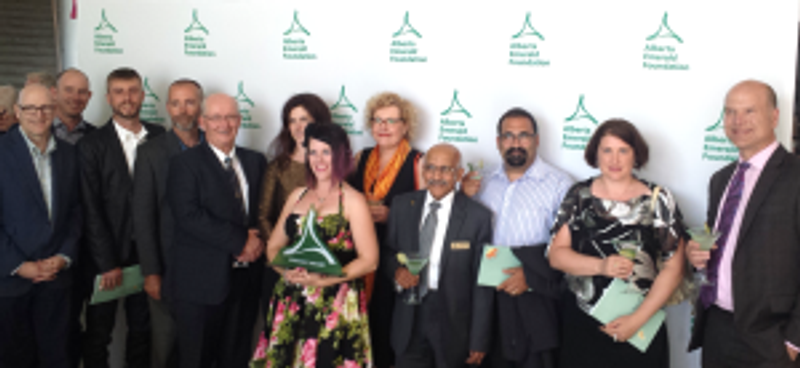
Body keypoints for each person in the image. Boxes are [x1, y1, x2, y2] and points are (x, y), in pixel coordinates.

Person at [547, 119, 687, 368]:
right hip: (582, 323)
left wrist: (637, 320)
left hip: (640, 323)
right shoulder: (579, 195)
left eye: (623, 150)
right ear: (595, 154)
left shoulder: (659, 199)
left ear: (636, 155)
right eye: (607, 150)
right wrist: (601, 266)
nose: (615, 159)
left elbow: (673, 268)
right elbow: (556, 255)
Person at [687, 80, 800, 368]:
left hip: (769, 339)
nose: (738, 121)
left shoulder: (795, 176)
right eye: (730, 112)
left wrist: (792, 341)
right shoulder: (721, 180)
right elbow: (719, 246)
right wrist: (696, 257)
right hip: (716, 329)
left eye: (750, 111)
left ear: (774, 116)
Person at [252, 122, 378, 368]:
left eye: (326, 152)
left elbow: (369, 259)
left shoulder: (353, 200)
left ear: (340, 155)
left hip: (336, 302)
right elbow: (274, 247)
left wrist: (325, 280)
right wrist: (285, 271)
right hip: (291, 297)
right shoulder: (297, 195)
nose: (318, 159)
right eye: (312, 152)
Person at [463, 107, 572, 368]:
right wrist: (462, 198)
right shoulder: (479, 182)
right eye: (508, 136)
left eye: (523, 135)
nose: (515, 143)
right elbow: (461, 235)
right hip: (485, 298)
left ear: (536, 140)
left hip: (534, 297)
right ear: (498, 142)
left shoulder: (560, 185)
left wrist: (531, 276)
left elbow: (569, 248)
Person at [168, 93, 266, 368]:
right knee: (195, 358)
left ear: (240, 120)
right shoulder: (184, 164)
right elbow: (188, 216)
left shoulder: (255, 161)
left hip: (245, 282)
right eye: (216, 117)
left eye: (231, 117)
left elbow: (263, 210)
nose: (224, 124)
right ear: (202, 122)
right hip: (201, 283)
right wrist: (240, 241)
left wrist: (257, 240)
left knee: (236, 357)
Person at [78, 67, 164, 368]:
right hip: (108, 259)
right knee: (99, 333)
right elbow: (90, 208)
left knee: (143, 330)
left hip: (149, 257)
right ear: (108, 97)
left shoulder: (160, 135)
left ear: (142, 95)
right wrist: (107, 263)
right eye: (119, 92)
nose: (126, 98)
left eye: (132, 91)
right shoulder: (91, 145)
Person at [383, 143, 493, 368]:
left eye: (446, 169)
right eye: (431, 168)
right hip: (409, 317)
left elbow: (483, 282)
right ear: (423, 171)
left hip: (453, 323)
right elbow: (388, 252)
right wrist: (397, 270)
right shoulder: (402, 205)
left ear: (459, 174)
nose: (436, 176)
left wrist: (479, 338)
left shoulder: (478, 216)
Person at [0, 84, 81, 368]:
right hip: (10, 283)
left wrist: (62, 257)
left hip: (56, 280)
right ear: (17, 113)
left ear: (55, 111)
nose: (39, 114)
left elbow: (75, 212)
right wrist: (21, 265)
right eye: (30, 108)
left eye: (46, 107)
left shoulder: (70, 155)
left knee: (57, 357)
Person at [348, 92, 425, 368]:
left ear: (406, 126)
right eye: (378, 120)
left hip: (395, 261)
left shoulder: (419, 162)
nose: (383, 126)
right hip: (358, 256)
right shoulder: (360, 157)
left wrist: (394, 216)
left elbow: (428, 217)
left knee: (387, 333)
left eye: (391, 120)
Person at [133, 79, 204, 368]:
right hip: (166, 268)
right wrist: (151, 272)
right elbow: (143, 216)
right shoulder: (151, 152)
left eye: (189, 102)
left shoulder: (213, 145)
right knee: (165, 348)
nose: (183, 110)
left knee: (200, 347)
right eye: (176, 103)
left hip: (207, 270)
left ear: (201, 105)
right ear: (167, 107)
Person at [258, 93, 331, 311]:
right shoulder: (277, 167)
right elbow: (263, 216)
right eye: (292, 120)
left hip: (325, 269)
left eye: (304, 119)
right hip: (283, 267)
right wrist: (286, 259)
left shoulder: (335, 166)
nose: (298, 126)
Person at [51, 68, 96, 145]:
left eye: (82, 92)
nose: (75, 97)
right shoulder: (38, 132)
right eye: (68, 90)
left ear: (89, 96)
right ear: (54, 93)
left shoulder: (98, 137)